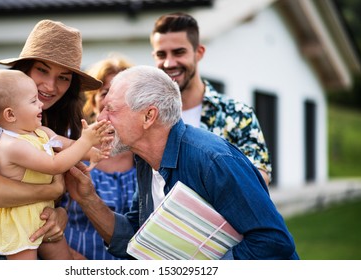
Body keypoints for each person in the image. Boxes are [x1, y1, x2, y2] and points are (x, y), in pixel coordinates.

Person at [65, 65, 300, 260]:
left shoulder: (212, 160)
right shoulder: (146, 161)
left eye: (111, 109)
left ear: (149, 116)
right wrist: (88, 199)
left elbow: (274, 242)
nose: (101, 118)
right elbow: (137, 240)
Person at [0, 19, 102, 260]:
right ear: (24, 69)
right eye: (42, 70)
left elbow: (61, 195)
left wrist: (60, 214)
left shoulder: (48, 120)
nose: (50, 86)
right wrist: (51, 189)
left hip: (35, 236)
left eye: (64, 78)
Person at [150, 12, 272, 186]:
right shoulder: (147, 117)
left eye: (179, 52)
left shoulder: (238, 115)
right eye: (162, 55)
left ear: (199, 52)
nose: (169, 63)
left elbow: (258, 181)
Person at [63, 54, 137, 260]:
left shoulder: (145, 156)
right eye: (105, 92)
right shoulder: (70, 149)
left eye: (122, 93)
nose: (112, 100)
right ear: (93, 101)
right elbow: (43, 217)